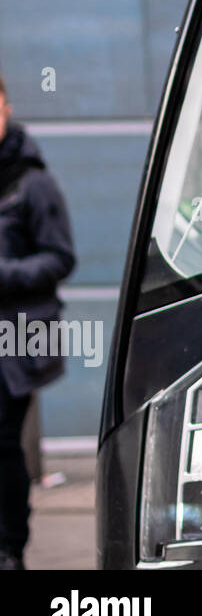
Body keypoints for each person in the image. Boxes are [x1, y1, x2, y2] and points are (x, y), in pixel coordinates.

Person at [0, 74, 76, 570]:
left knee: (1, 442)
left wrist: (4, 274)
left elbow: (60, 256)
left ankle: (10, 547)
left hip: (15, 339)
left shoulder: (32, 182)